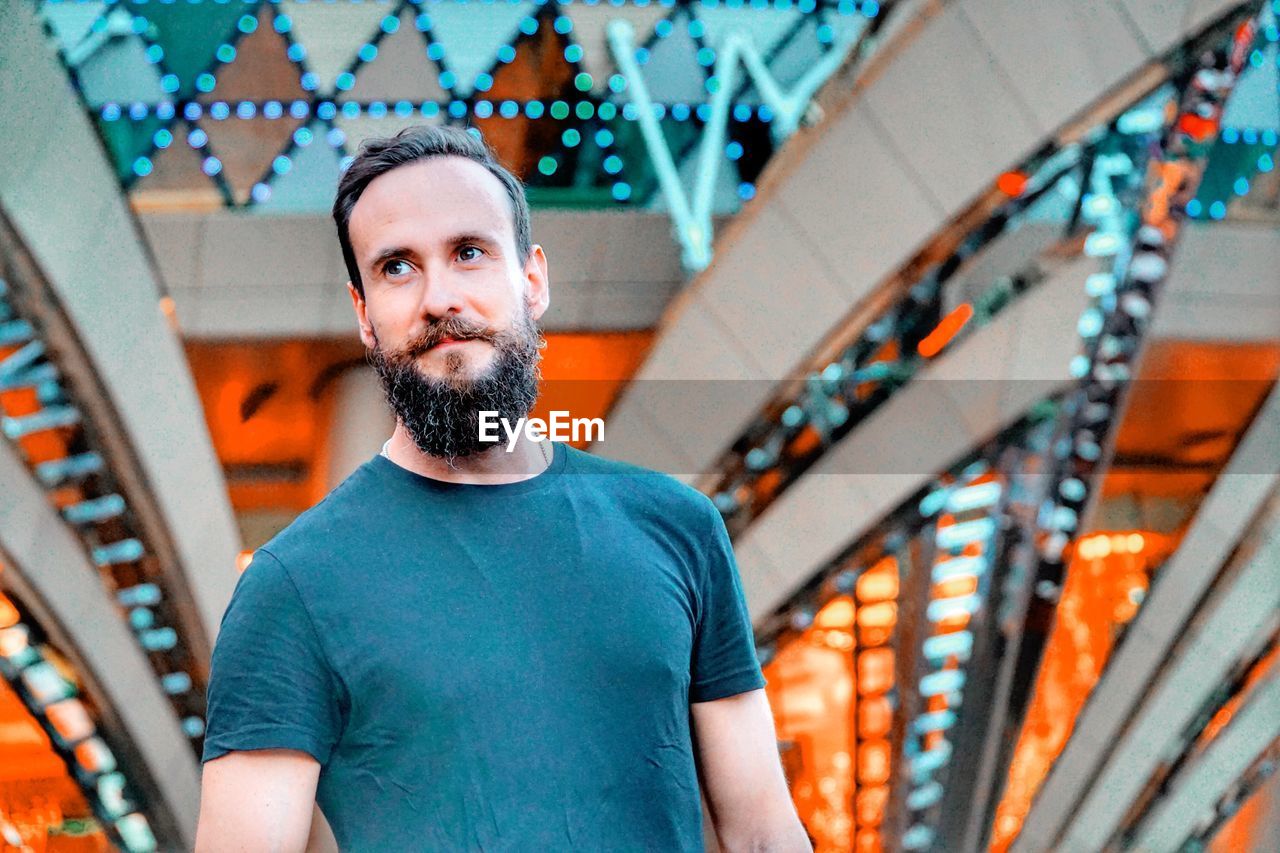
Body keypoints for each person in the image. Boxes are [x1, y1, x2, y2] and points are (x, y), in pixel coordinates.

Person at [194, 124, 809, 852]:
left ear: (533, 279)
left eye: (469, 252)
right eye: (397, 268)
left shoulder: (680, 528)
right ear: (363, 316)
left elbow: (766, 834)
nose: (439, 297)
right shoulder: (293, 585)